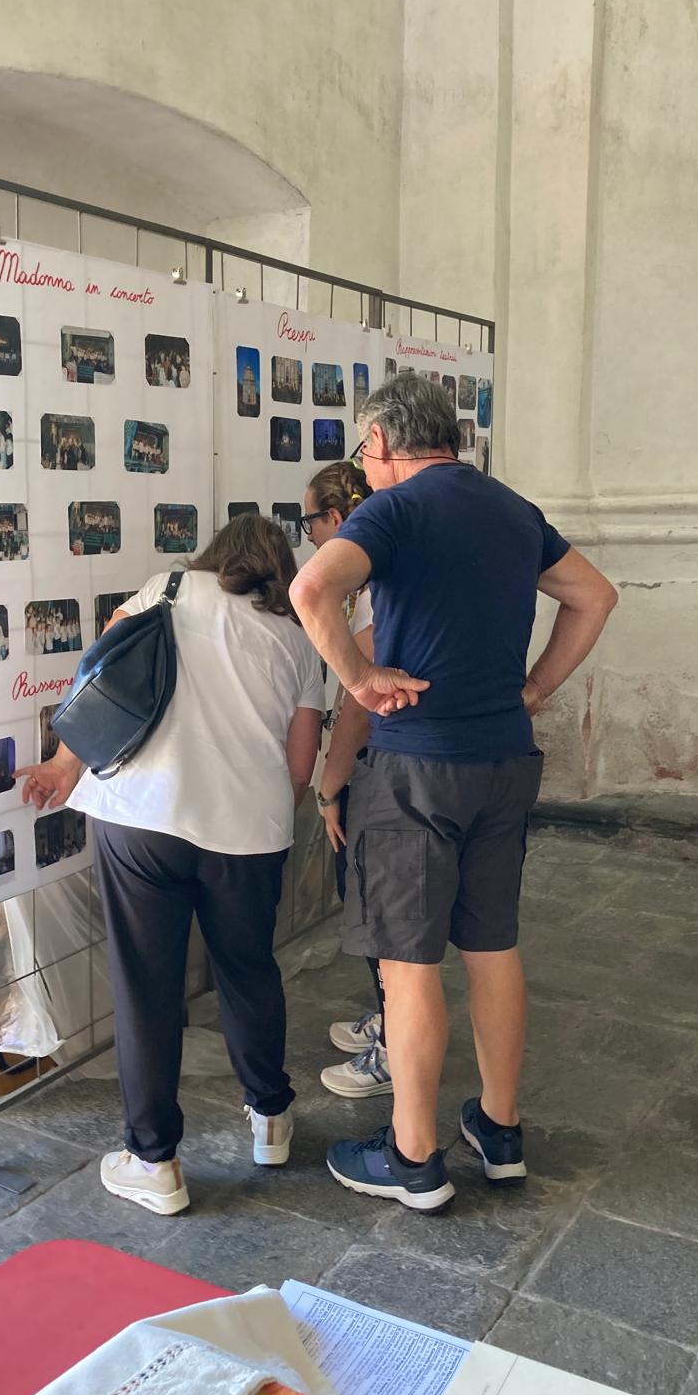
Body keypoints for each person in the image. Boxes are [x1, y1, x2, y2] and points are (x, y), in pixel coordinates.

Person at [291, 376, 617, 1211]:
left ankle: (413, 1159)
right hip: (504, 760)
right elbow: (594, 596)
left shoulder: (393, 511)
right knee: (492, 946)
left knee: (408, 966)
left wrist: (358, 680)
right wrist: (535, 688)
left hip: (417, 767)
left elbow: (310, 590)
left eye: (365, 452)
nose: (365, 467)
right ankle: (500, 1131)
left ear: (384, 442)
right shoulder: (511, 509)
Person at [17, 514, 325, 1217]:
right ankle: (271, 1118)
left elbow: (100, 677)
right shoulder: (297, 635)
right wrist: (254, 807)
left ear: (215, 555)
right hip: (248, 833)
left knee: (147, 987)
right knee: (247, 971)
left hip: (143, 814)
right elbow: (300, 764)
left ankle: (154, 1160)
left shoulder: (167, 589)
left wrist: (65, 764)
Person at [303, 462, 392, 1101]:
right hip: (384, 769)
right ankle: (391, 1020)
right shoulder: (372, 583)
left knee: (376, 911)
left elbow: (358, 706)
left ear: (336, 519)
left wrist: (330, 788)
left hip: (373, 773)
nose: (308, 536)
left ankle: (395, 1047)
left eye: (310, 521)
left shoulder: (372, 589)